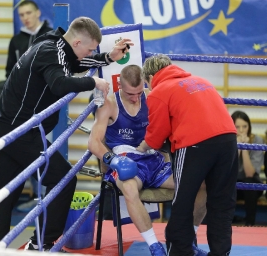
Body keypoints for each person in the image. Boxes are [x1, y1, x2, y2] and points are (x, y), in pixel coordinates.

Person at [0, 16, 133, 251]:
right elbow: (59, 83)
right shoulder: (50, 52)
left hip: (10, 127)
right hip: (18, 132)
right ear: (77, 42)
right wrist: (93, 83)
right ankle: (40, 242)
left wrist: (107, 58)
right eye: (89, 49)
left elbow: (71, 63)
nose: (88, 54)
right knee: (63, 179)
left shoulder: (54, 42)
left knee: (5, 195)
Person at [88, 65, 208, 256]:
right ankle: (154, 246)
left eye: (138, 93)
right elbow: (93, 142)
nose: (135, 98)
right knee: (128, 187)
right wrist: (114, 160)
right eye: (129, 94)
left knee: (201, 183)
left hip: (155, 159)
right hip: (126, 160)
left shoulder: (153, 96)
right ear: (119, 84)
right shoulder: (109, 104)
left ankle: (188, 240)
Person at [137, 54, 238, 256]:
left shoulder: (159, 91)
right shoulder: (202, 81)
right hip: (228, 140)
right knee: (221, 202)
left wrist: (137, 150)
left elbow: (155, 139)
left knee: (182, 201)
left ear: (149, 78)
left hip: (195, 144)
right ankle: (220, 253)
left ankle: (179, 252)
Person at [4, 0, 53, 213]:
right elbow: (9, 72)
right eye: (21, 14)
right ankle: (36, 196)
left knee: (46, 148)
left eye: (28, 13)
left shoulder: (52, 36)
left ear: (38, 12)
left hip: (46, 104)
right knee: (26, 149)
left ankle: (49, 195)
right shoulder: (16, 41)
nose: (25, 17)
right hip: (22, 108)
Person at [231, 111, 264, 226]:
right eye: (237, 127)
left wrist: (244, 148)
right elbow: (228, 171)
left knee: (250, 183)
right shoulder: (227, 141)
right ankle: (225, 222)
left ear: (249, 127)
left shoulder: (257, 140)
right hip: (232, 183)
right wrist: (237, 148)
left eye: (244, 126)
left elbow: (250, 173)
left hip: (251, 185)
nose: (241, 131)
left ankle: (250, 224)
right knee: (223, 184)